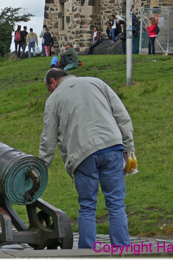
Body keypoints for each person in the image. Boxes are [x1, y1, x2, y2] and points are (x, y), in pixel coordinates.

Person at [39, 68, 135, 249]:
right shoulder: (97, 82)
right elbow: (122, 116)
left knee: (87, 206)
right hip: (111, 146)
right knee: (116, 204)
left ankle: (87, 252)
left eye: (49, 88)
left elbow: (48, 138)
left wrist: (42, 166)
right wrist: (129, 147)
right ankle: (122, 250)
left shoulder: (54, 99)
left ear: (53, 82)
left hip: (81, 154)